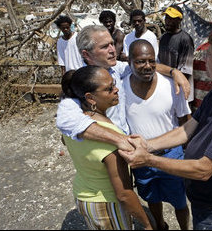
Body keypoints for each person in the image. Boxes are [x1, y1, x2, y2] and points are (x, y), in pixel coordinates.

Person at [119, 28, 212, 230]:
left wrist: (149, 159)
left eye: (210, 55)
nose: (204, 60)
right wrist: (147, 145)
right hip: (201, 197)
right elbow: (187, 128)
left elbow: (204, 170)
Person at [56, 25, 190, 155]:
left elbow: (142, 64)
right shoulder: (80, 83)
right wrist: (120, 140)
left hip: (131, 153)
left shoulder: (116, 69)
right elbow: (67, 121)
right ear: (86, 54)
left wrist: (174, 72)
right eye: (104, 46)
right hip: (108, 152)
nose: (113, 50)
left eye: (112, 44)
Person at [61, 66, 152, 230]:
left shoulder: (72, 124)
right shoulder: (112, 139)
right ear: (90, 98)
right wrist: (147, 224)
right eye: (109, 89)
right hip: (106, 206)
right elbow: (123, 194)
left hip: (83, 197)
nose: (116, 90)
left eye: (114, 84)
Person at [124, 40, 191, 230]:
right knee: (152, 198)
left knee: (180, 201)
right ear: (129, 61)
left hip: (172, 155)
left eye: (151, 61)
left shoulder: (171, 86)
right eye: (140, 62)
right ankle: (160, 225)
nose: (147, 66)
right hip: (141, 159)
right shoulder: (120, 89)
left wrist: (185, 152)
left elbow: (185, 121)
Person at [158, 5, 195, 105]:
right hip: (164, 89)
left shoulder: (185, 40)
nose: (168, 21)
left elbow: (185, 72)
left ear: (179, 20)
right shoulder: (163, 38)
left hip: (181, 91)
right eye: (167, 18)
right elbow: (159, 63)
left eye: (171, 19)